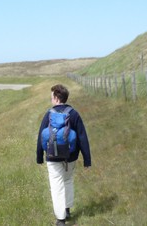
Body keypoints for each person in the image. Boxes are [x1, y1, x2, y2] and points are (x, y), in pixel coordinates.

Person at [36, 84, 91, 226]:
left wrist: (39, 157)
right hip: (70, 157)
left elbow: (40, 136)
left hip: (52, 157)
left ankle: (61, 220)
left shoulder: (49, 114)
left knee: (56, 185)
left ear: (56, 98)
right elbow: (82, 137)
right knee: (68, 181)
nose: (51, 100)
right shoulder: (74, 114)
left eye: (51, 97)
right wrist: (87, 159)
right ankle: (67, 209)